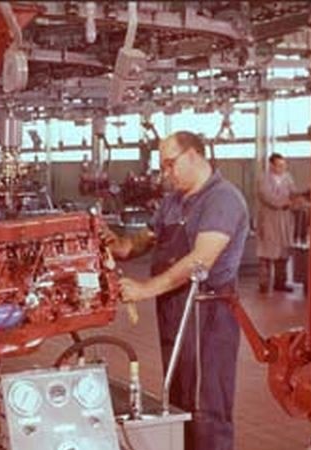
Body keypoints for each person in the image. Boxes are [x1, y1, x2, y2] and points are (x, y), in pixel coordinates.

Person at [104, 131, 249, 450]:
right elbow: (146, 238)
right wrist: (116, 244)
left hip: (208, 313)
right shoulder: (173, 202)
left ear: (194, 156)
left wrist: (145, 289)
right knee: (181, 402)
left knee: (207, 406)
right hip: (175, 311)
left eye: (171, 165)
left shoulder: (222, 200)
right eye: (163, 167)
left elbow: (199, 261)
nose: (166, 174)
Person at [256, 152, 302, 294]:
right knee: (267, 254)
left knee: (283, 253)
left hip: (285, 221)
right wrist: (286, 202)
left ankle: (280, 283)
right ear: (271, 165)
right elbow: (268, 197)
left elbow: (294, 194)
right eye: (279, 165)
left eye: (284, 165)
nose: (282, 168)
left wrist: (298, 199)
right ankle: (264, 284)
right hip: (269, 220)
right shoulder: (263, 179)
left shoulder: (288, 178)